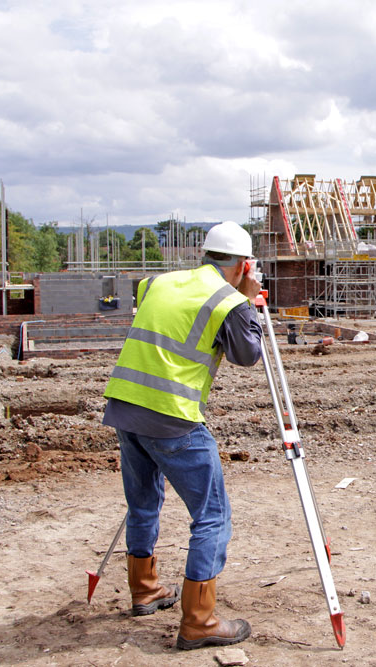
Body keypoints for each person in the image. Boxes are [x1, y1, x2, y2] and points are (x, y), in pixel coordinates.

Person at [102, 221, 262, 650]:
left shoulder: (156, 282)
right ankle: (199, 621)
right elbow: (247, 355)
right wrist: (249, 304)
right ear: (245, 265)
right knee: (212, 518)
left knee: (142, 504)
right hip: (173, 417)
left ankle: (145, 589)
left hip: (124, 407)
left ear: (205, 255)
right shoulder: (229, 300)